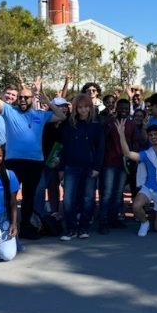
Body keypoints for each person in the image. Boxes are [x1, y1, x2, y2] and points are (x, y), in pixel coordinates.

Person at [0, 69, 66, 239]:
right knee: (7, 194)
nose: (23, 100)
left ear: (32, 99)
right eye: (21, 97)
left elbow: (61, 115)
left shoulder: (41, 115)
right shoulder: (10, 111)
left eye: (26, 97)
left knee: (29, 197)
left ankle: (25, 227)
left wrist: (46, 100)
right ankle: (3, 224)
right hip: (13, 162)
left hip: (35, 162)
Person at [58, 94, 104, 241]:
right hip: (71, 167)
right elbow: (63, 148)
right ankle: (70, 228)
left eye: (86, 107)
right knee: (68, 199)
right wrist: (61, 168)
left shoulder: (96, 126)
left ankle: (83, 227)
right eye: (80, 107)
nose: (83, 110)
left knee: (88, 199)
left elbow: (100, 148)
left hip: (90, 167)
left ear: (90, 108)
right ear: (76, 109)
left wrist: (97, 167)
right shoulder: (70, 125)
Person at [116, 122, 157, 236]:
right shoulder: (147, 154)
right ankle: (144, 222)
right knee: (136, 206)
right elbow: (127, 153)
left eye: (155, 134)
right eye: (150, 135)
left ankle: (156, 214)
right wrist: (121, 134)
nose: (153, 137)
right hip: (149, 188)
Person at [99, 98, 133, 234]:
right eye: (121, 108)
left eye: (126, 108)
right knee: (107, 193)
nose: (124, 111)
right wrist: (109, 122)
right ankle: (103, 221)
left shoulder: (131, 124)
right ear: (116, 108)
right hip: (109, 162)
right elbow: (103, 139)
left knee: (118, 193)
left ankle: (113, 219)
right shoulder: (109, 122)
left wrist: (132, 159)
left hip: (123, 163)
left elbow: (133, 142)